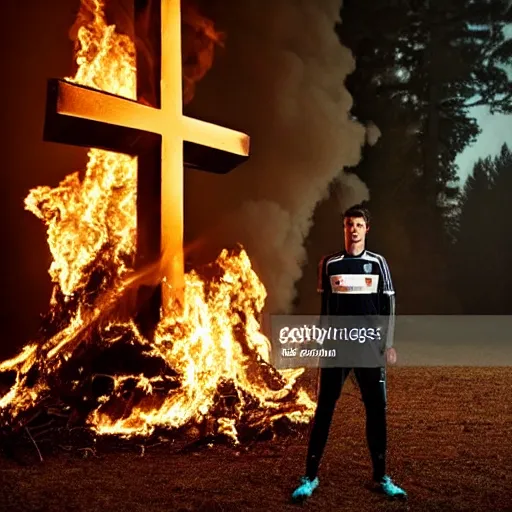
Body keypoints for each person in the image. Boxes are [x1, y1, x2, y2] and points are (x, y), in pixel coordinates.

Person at [291, 204, 407, 502]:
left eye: (358, 224)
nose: (353, 229)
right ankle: (309, 477)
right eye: (348, 224)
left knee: (376, 411)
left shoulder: (378, 263)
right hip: (337, 347)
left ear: (367, 229)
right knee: (324, 410)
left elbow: (388, 308)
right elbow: (326, 311)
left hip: (369, 346)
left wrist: (389, 343)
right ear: (344, 228)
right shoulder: (330, 264)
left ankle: (381, 477)